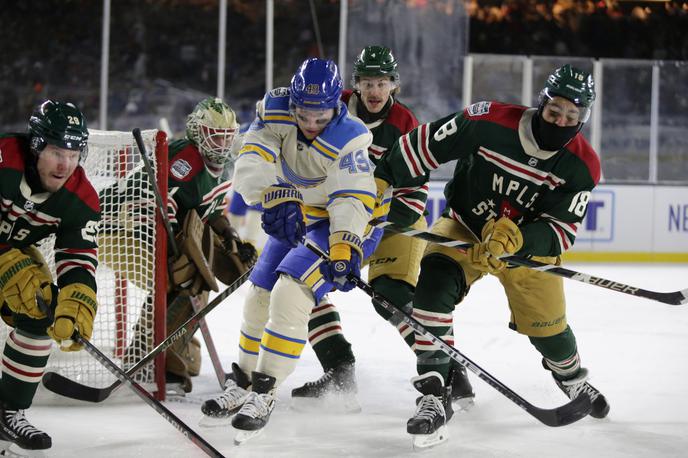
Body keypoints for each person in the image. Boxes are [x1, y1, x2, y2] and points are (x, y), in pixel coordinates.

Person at [374, 64, 610, 448]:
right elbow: (425, 145)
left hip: (523, 252)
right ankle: (435, 392)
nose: (561, 121)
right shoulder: (488, 121)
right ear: (542, 103)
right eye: (555, 112)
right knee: (432, 288)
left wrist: (512, 241)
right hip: (464, 227)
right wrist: (382, 176)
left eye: (572, 116)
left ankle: (571, 378)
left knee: (550, 331)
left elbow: (560, 231)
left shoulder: (582, 165)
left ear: (583, 118)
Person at [199, 57, 386, 441]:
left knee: (291, 292)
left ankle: (265, 393)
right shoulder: (275, 111)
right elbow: (251, 160)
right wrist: (272, 196)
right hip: (295, 213)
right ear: (294, 102)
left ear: (336, 105)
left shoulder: (351, 135)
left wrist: (346, 244)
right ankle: (246, 382)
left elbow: (350, 198)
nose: (311, 123)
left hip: (344, 223)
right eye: (304, 113)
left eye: (320, 116)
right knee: (258, 294)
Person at [291, 45, 474, 408]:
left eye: (382, 82)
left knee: (390, 295)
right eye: (367, 82)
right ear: (355, 85)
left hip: (390, 222)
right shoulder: (333, 108)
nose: (375, 91)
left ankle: (449, 371)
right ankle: (339, 369)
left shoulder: (404, 124)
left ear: (395, 85)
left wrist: (371, 222)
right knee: (300, 283)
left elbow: (415, 194)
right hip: (337, 219)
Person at [103, 97, 257, 392]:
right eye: (216, 135)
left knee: (195, 274)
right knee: (184, 277)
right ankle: (152, 357)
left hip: (147, 228)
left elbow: (206, 213)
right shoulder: (186, 158)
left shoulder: (223, 168)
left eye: (227, 136)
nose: (223, 144)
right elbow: (153, 205)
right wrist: (171, 243)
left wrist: (229, 236)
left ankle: (164, 349)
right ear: (199, 133)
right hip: (119, 227)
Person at [0, 100, 100, 453]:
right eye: (58, 151)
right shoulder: (3, 160)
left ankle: (7, 410)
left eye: (74, 154)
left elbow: (78, 257)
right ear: (36, 145)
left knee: (41, 305)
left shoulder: (81, 198)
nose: (65, 164)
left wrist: (78, 299)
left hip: (11, 252)